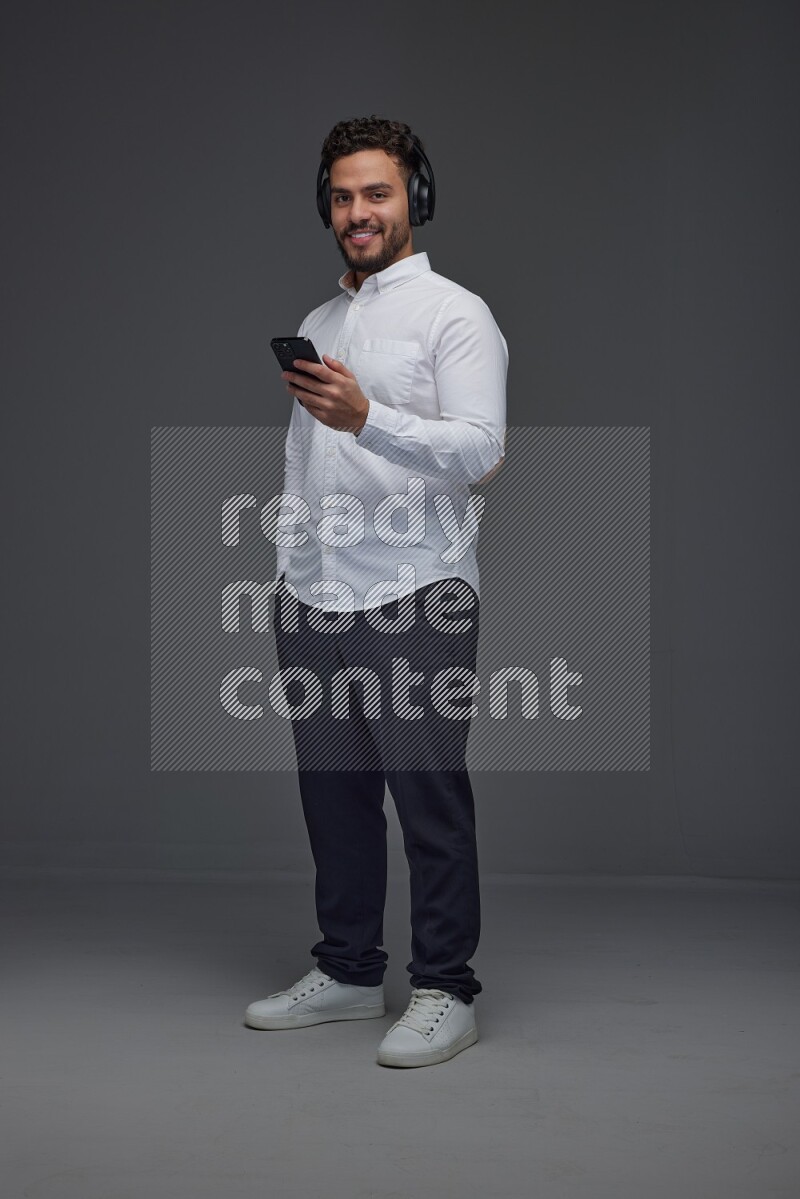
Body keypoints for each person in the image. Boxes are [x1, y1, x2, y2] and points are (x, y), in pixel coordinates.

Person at [244, 115, 508, 1068]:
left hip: (417, 592)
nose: (358, 211)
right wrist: (288, 566)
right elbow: (304, 457)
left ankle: (447, 988)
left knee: (428, 798)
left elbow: (482, 450)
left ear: (414, 200)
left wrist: (370, 417)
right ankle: (351, 970)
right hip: (314, 594)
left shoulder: (456, 315)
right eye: (343, 196)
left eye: (377, 193)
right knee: (335, 797)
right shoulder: (319, 323)